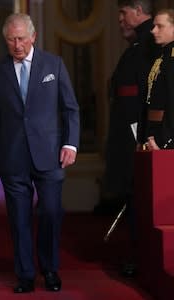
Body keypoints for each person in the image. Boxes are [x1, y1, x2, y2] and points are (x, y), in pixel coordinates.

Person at [0, 13, 80, 293]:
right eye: (11, 40)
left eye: (21, 38)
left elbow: (70, 108)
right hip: (12, 154)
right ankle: (25, 274)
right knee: (19, 217)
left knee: (51, 211)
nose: (17, 45)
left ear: (33, 37)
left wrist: (70, 144)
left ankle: (49, 269)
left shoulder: (54, 64)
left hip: (50, 153)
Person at [103, 0, 158, 277]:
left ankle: (142, 258)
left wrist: (146, 133)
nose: (120, 20)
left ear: (138, 11)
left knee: (140, 196)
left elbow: (151, 95)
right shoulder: (140, 43)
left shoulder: (149, 43)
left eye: (124, 13)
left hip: (139, 136)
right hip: (132, 134)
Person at [138, 8, 174, 151]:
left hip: (165, 136)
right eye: (154, 26)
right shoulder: (161, 57)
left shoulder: (171, 60)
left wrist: (167, 141)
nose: (153, 31)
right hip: (154, 132)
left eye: (160, 26)